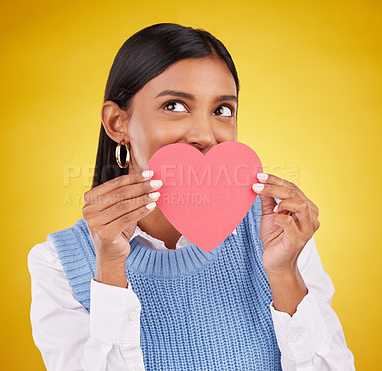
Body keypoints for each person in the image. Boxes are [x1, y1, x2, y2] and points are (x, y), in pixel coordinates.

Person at [28, 22, 356, 370]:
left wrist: (283, 272)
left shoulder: (279, 235)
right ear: (117, 123)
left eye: (222, 110)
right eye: (175, 105)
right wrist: (110, 267)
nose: (205, 134)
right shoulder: (59, 264)